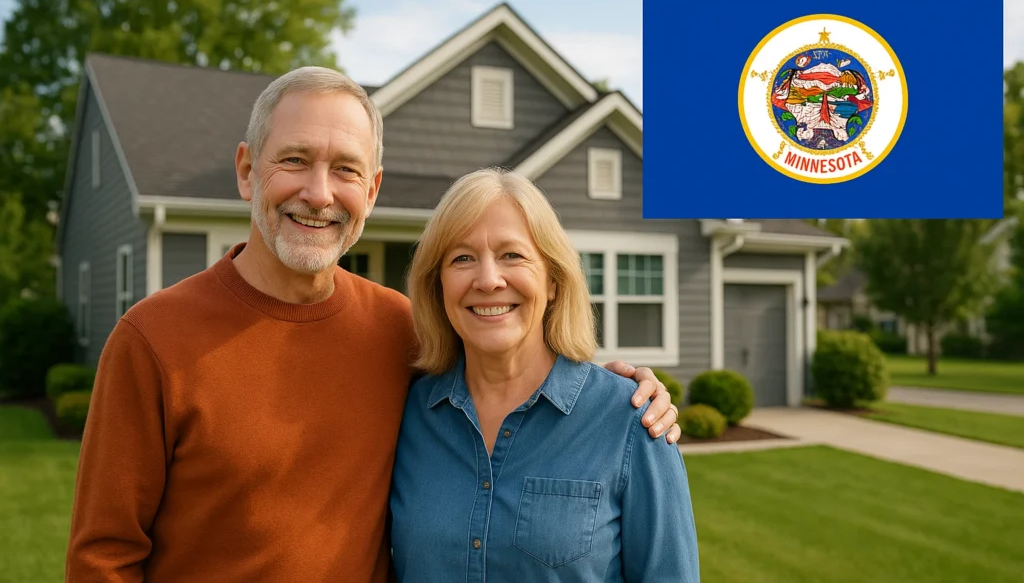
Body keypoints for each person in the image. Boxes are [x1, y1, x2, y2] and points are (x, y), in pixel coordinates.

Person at [65, 66, 682, 583]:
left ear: (373, 188)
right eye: (295, 160)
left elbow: (512, 349)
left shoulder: (399, 331)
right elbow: (104, 558)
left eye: (345, 170)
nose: (318, 192)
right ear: (248, 170)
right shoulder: (153, 340)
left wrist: (623, 390)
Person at [389, 167, 700, 582]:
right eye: (462, 258)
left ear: (553, 280)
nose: (488, 279)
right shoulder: (405, 415)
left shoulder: (632, 422)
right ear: (438, 285)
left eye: (512, 255)